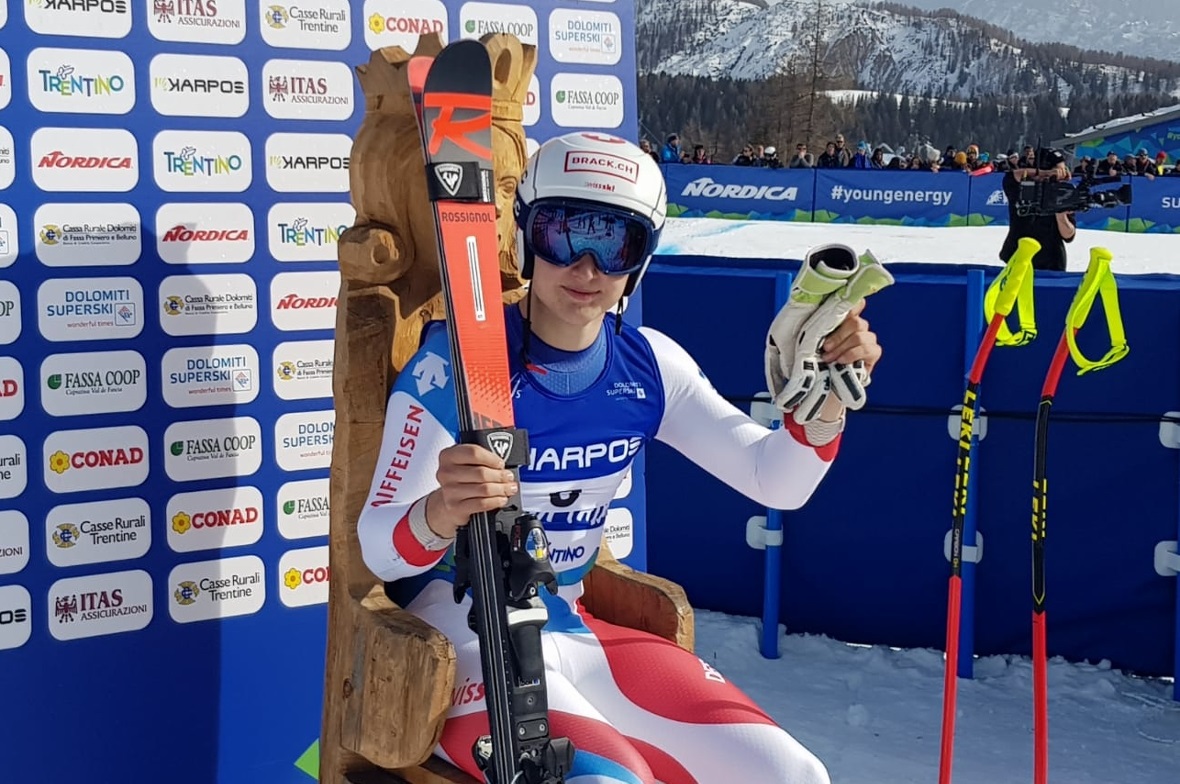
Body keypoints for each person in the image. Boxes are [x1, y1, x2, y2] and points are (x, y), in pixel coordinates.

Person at [357, 132, 883, 784]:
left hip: (574, 625)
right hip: (466, 631)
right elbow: (377, 550)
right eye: (562, 234)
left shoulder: (649, 366)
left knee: (790, 774)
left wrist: (823, 411)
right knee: (607, 780)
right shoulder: (457, 365)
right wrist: (438, 511)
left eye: (616, 244)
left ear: (641, 261)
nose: (586, 267)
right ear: (526, 237)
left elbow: (774, 481)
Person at [999, 146, 1077, 272]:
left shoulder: (1063, 192)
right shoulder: (1021, 185)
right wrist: (1047, 174)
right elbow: (1012, 176)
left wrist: (1060, 215)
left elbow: (1069, 235)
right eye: (1058, 169)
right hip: (1018, 255)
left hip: (1051, 261)